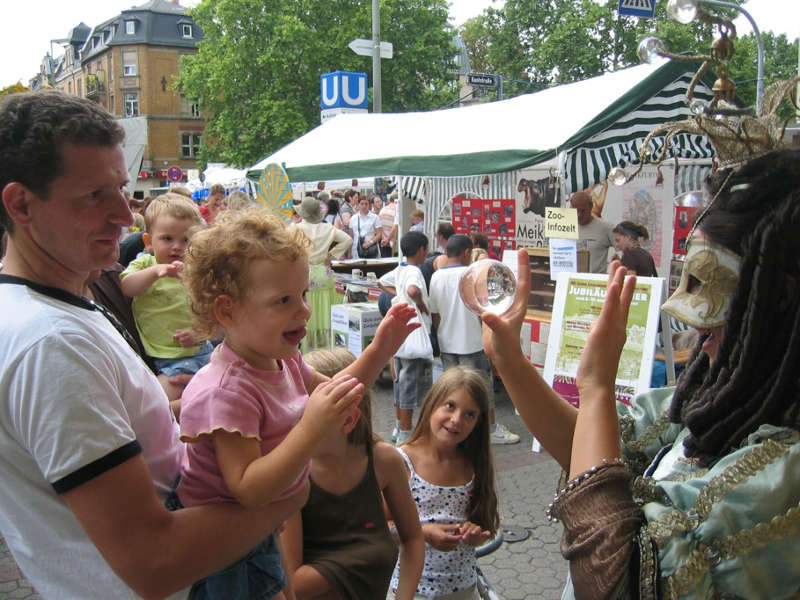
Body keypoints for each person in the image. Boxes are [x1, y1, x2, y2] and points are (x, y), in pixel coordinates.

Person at [0, 89, 309, 599]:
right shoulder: (49, 345)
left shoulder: (60, 303)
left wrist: (156, 400)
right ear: (20, 204)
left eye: (121, 189)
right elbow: (153, 560)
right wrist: (292, 488)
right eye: (94, 196)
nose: (125, 215)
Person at [482, 148, 800, 598]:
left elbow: (615, 577)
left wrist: (595, 388)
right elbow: (590, 454)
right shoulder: (716, 397)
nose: (698, 339)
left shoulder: (783, 477)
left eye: (718, 321)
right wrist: (510, 360)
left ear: (778, 306)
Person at [177, 208, 419, 600]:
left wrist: (380, 350)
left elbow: (337, 392)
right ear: (228, 310)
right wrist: (310, 429)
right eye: (284, 300)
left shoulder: (280, 357)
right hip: (226, 552)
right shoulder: (228, 390)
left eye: (303, 294)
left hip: (260, 532)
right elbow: (248, 488)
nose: (304, 310)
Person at [282, 348, 425, 600]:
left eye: (305, 415)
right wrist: (368, 554)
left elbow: (413, 539)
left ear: (348, 418)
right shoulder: (293, 473)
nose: (294, 424)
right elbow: (294, 584)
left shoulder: (384, 461)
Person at [390, 367, 500, 599]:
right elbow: (380, 528)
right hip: (412, 590)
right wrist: (423, 533)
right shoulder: (401, 462)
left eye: (469, 414)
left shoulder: (474, 464)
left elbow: (487, 522)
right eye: (450, 406)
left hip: (464, 589)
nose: (456, 420)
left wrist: (476, 533)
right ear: (431, 404)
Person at [120, 193, 212, 408]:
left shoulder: (195, 271)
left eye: (186, 240)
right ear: (148, 241)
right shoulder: (145, 265)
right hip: (164, 357)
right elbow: (127, 287)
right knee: (156, 402)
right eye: (167, 238)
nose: (177, 247)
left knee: (160, 400)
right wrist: (155, 271)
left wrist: (201, 333)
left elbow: (212, 313)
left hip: (196, 353)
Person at [429, 234, 519, 445]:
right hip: (472, 343)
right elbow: (484, 312)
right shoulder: (473, 275)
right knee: (481, 389)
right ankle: (490, 429)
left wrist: (443, 333)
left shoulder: (436, 277)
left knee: (452, 389)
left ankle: (454, 425)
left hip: (446, 343)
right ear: (467, 252)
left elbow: (435, 315)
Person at [385, 230, 433, 444]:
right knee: (410, 384)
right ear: (422, 250)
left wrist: (400, 296)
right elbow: (413, 290)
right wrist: (420, 303)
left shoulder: (401, 269)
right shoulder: (414, 270)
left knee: (400, 381)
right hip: (414, 331)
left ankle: (398, 427)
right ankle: (406, 432)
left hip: (402, 335)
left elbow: (381, 282)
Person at [293, 196, 352, 351]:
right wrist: (331, 256)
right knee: (326, 314)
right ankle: (326, 349)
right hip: (324, 274)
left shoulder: (296, 229)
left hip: (306, 273)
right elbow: (347, 240)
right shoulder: (328, 228)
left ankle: (309, 351)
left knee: (308, 312)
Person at [570, 190, 614, 273]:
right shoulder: (565, 227)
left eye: (583, 211)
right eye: (576, 211)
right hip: (571, 280)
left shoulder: (605, 227)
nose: (579, 215)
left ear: (591, 207)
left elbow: (623, 248)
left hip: (596, 282)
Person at [350, 194, 381, 259]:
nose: (364, 206)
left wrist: (370, 243)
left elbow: (379, 234)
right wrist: (350, 253)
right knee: (357, 269)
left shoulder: (375, 217)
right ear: (358, 204)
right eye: (362, 204)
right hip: (356, 251)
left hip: (371, 250)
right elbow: (351, 237)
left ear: (369, 205)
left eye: (366, 204)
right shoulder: (353, 218)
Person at [378, 192, 397, 257]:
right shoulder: (397, 210)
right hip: (394, 243)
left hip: (384, 243)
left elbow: (379, 227)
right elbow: (395, 226)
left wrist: (385, 239)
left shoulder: (382, 210)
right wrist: (388, 239)